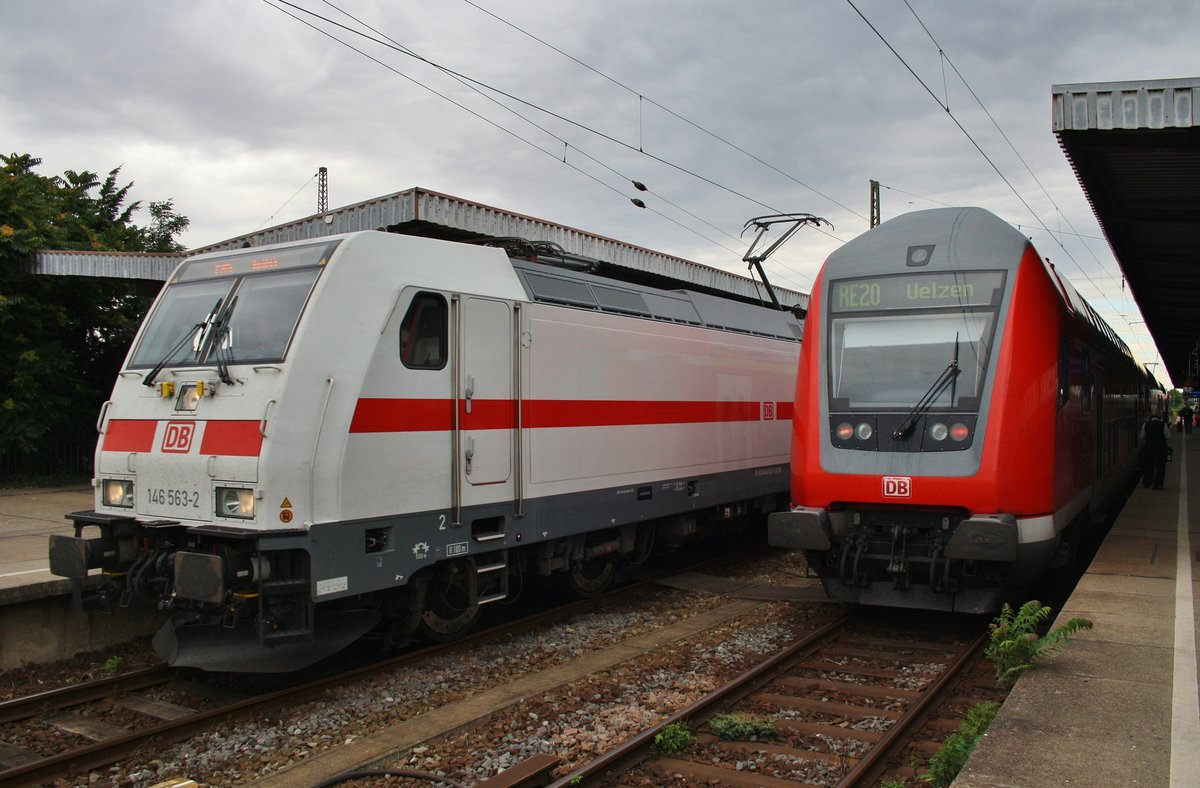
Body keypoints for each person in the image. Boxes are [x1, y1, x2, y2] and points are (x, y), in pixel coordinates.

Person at [1139, 412, 1170, 490]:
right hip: (1161, 448)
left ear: (1151, 417)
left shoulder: (1146, 424)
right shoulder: (1163, 425)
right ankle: (1158, 485)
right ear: (1160, 417)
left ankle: (1147, 483)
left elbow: (1142, 436)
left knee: (1148, 465)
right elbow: (1168, 436)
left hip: (1149, 448)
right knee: (1160, 466)